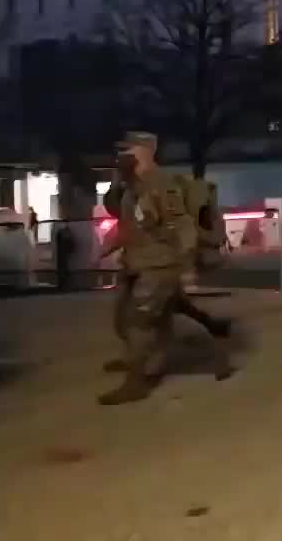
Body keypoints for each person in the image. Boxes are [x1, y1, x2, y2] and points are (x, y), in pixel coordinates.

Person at [96, 131, 197, 405]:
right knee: (126, 319)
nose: (122, 154)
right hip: (135, 263)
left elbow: (182, 223)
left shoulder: (163, 184)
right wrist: (106, 249)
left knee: (139, 321)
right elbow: (127, 224)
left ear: (146, 150)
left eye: (128, 149)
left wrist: (186, 266)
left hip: (159, 265)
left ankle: (136, 381)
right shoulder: (131, 186)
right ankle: (141, 359)